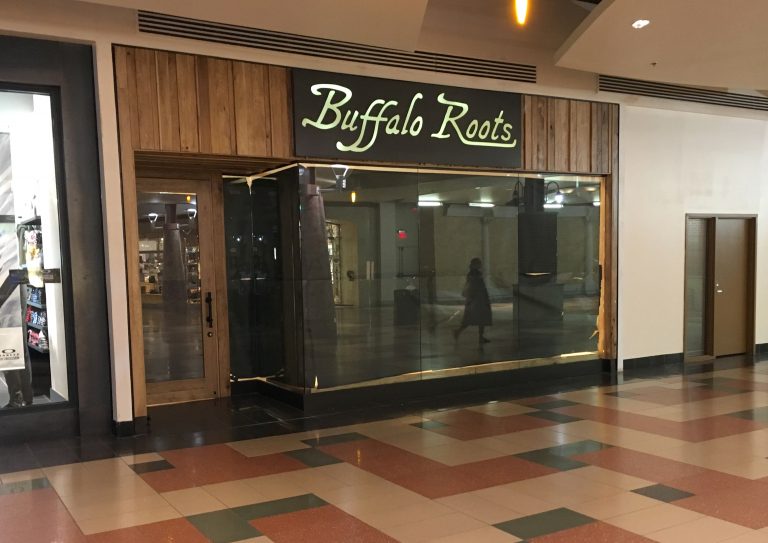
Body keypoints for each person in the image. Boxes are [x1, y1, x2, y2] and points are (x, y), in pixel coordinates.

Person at [454, 257, 492, 344]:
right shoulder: (475, 274)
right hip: (477, 300)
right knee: (476, 318)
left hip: (477, 300)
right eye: (479, 263)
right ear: (475, 264)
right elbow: (475, 287)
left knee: (474, 319)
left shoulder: (473, 273)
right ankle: (458, 332)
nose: (480, 265)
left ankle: (479, 336)